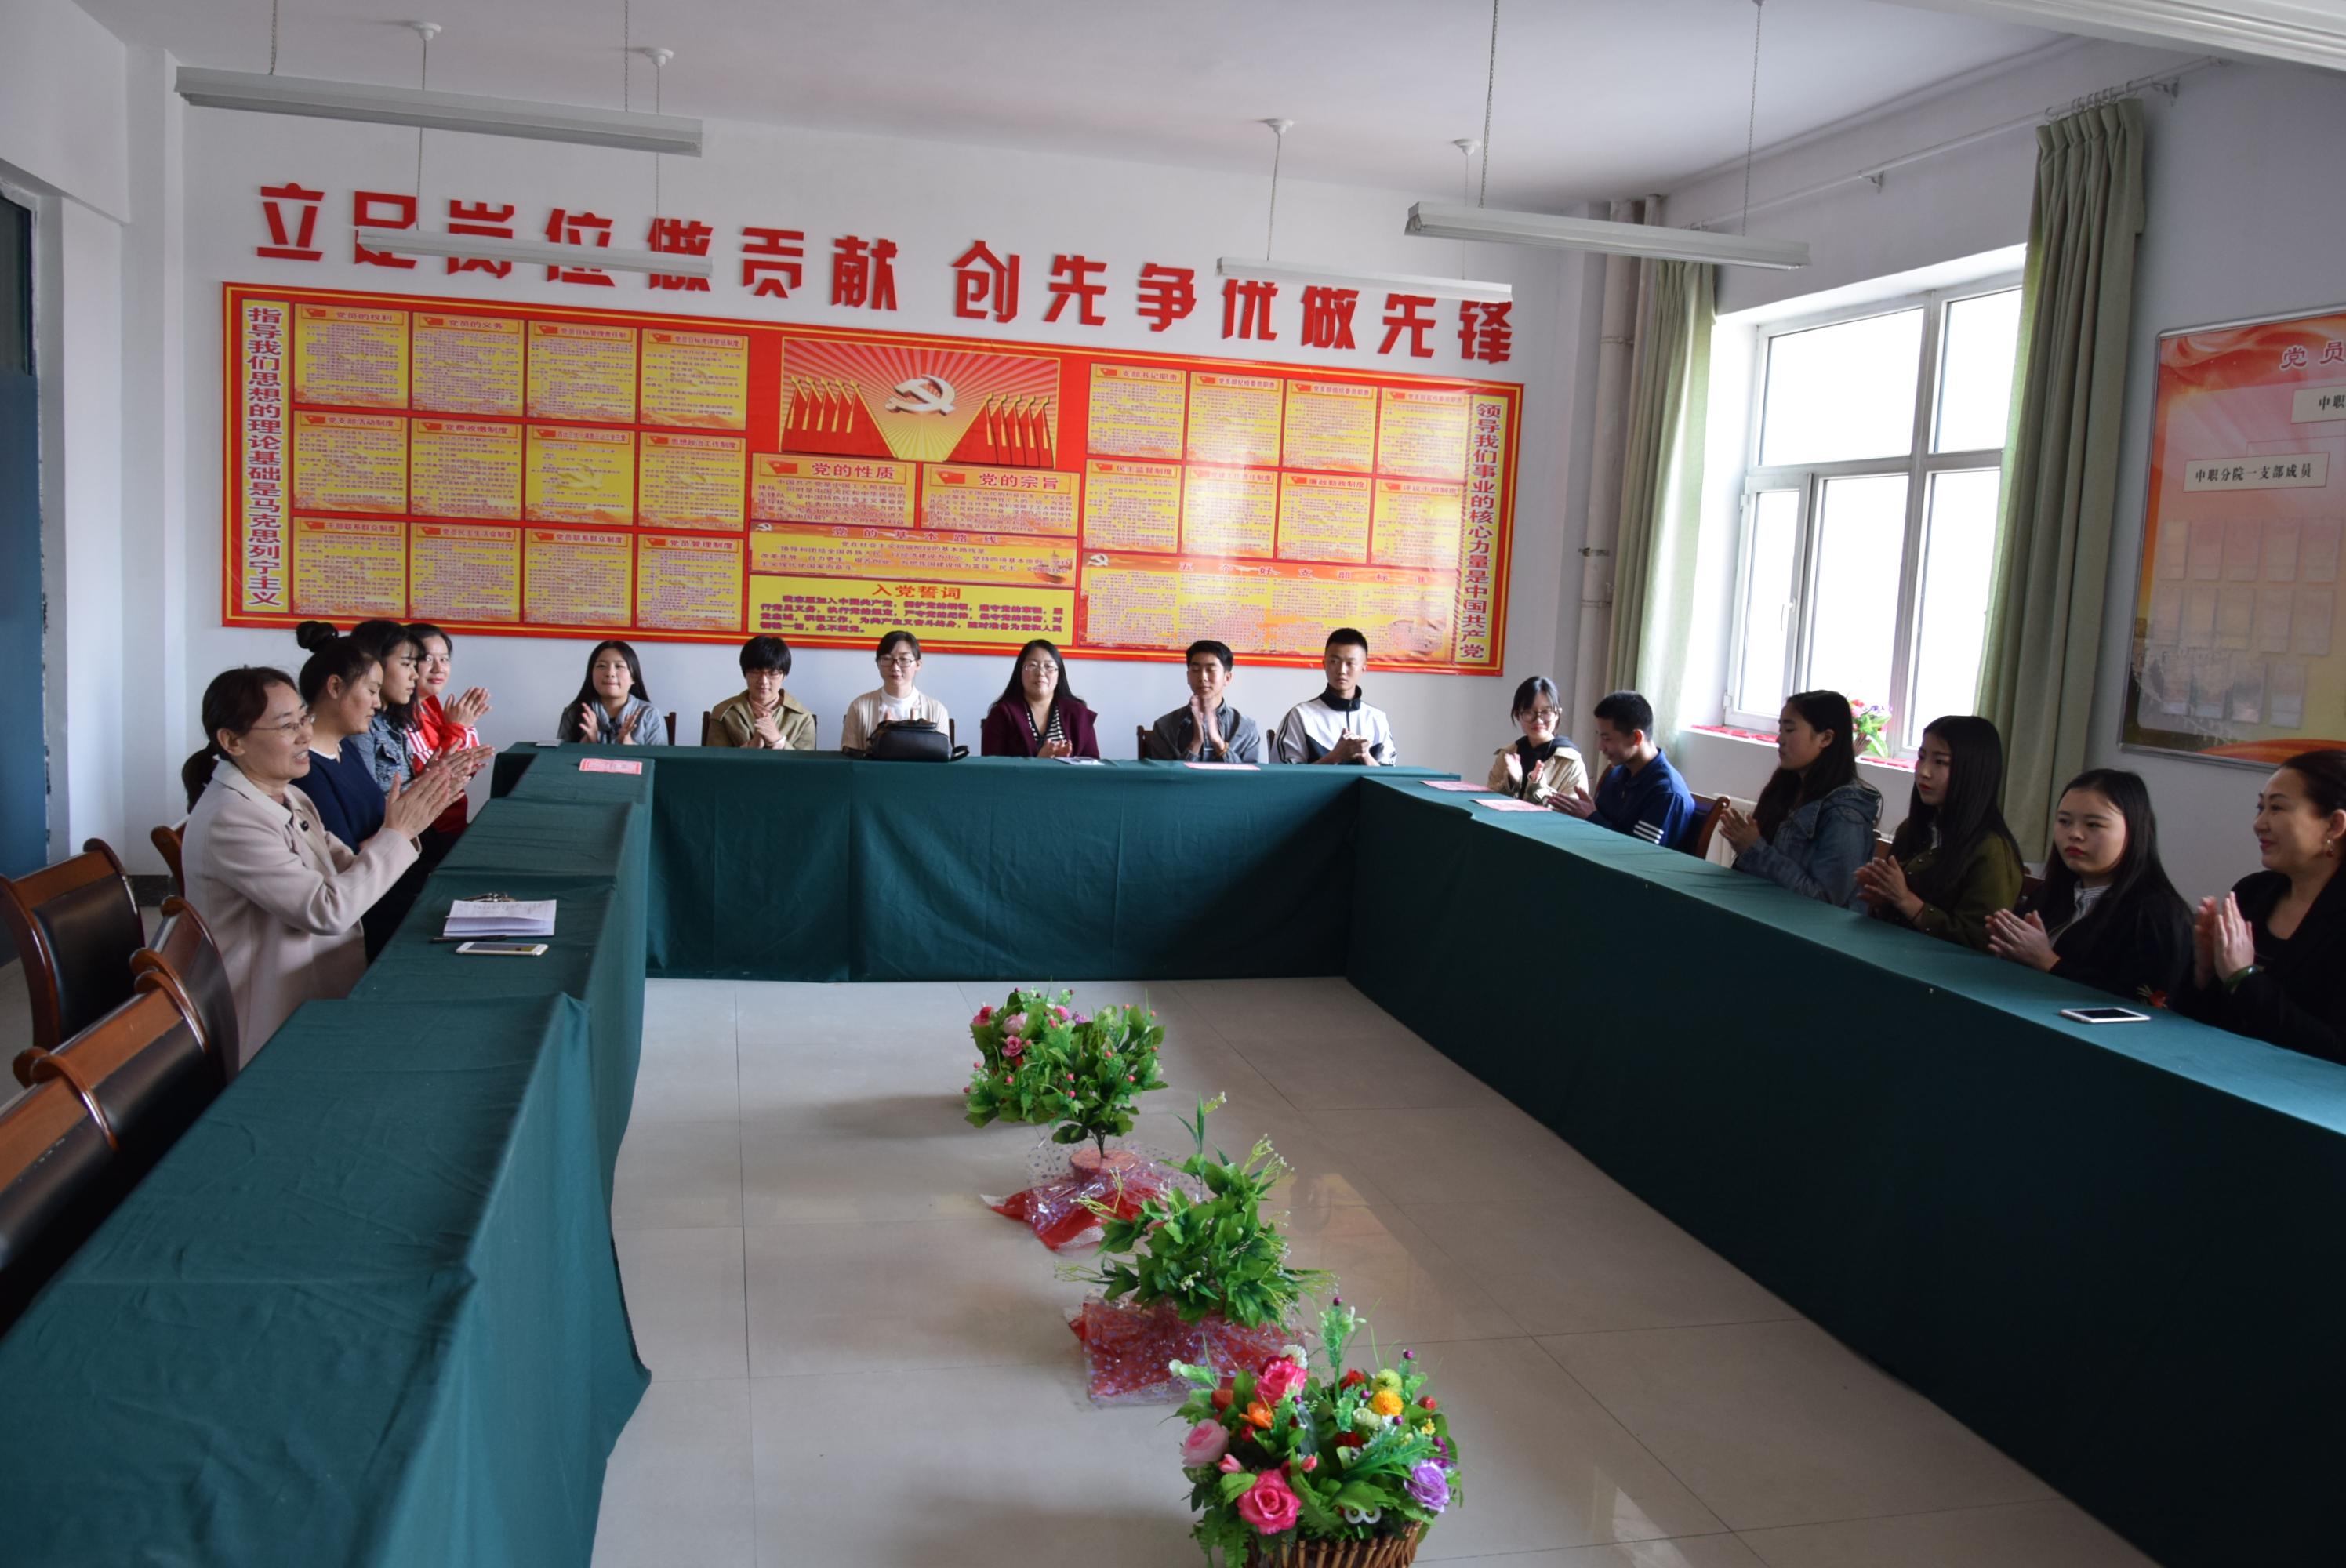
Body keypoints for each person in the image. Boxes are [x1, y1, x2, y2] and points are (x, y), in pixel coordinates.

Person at [179, 666, 463, 1060]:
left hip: (317, 982)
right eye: (287, 726)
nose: (305, 735)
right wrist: (397, 833)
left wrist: (408, 824)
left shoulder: (290, 796)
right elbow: (327, 910)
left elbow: (348, 867)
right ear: (232, 741)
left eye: (304, 719)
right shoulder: (230, 819)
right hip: (267, 1018)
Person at [2174, 750, 2346, 1061]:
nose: (2259, 824)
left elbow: (2336, 1051)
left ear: (2334, 825)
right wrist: (2205, 972)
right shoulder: (2252, 893)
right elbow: (2199, 1022)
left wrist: (2244, 977)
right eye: (2260, 807)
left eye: (2277, 808)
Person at [1985, 768, 2192, 1004]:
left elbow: (2146, 1005)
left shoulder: (2157, 913)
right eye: (2064, 821)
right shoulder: (2051, 894)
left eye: (2093, 825)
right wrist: (2009, 948)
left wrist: (2048, 961)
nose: (2074, 834)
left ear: (2135, 831)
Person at [1854, 714, 2024, 951]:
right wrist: (1882, 897)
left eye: (1941, 762)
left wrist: (1906, 900)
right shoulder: (1914, 828)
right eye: (1921, 757)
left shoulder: (1992, 849)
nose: (1924, 772)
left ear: (1973, 771)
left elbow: (1981, 942)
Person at [1718, 690, 1881, 907]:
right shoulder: (1789, 788)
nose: (1780, 739)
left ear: (1826, 738)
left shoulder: (1845, 815)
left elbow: (1825, 902)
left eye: (1790, 730)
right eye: (1780, 729)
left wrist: (1755, 850)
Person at [1553, 690, 1697, 849]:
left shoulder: (1666, 793)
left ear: (1636, 738)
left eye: (1607, 738)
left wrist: (1591, 817)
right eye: (1599, 736)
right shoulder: (1616, 774)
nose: (1600, 747)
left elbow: (1639, 853)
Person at [292, 622, 389, 852]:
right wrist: (402, 828)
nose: (377, 703)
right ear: (335, 687)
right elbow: (343, 856)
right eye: (372, 691)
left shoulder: (345, 747)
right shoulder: (304, 768)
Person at [406, 622, 492, 859]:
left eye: (444, 659)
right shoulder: (402, 713)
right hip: (428, 831)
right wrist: (457, 728)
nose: (438, 668)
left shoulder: (431, 705)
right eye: (427, 659)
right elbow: (434, 776)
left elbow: (467, 770)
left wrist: (460, 727)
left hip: (451, 822)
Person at [1276, 627, 1395, 765]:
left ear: (1364, 668)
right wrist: (1335, 756)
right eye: (1334, 662)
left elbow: (1388, 774)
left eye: (1350, 663)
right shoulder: (1300, 715)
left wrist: (1365, 756)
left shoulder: (1377, 718)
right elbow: (1285, 774)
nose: (1342, 670)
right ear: (1324, 665)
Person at [1145, 641, 1265, 763]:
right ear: (1188, 677)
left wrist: (1218, 742)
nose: (1203, 677)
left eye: (1211, 669)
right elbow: (1165, 774)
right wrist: (1196, 742)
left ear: (1227, 678)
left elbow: (1250, 774)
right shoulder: (1165, 726)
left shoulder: (1246, 728)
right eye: (1195, 670)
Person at [982, 639, 1102, 758]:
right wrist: (1039, 762)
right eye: (1032, 665)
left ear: (1059, 674)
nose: (1040, 673)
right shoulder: (1002, 714)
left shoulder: (1079, 714)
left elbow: (1093, 765)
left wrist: (1065, 764)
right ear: (1020, 672)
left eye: (1048, 666)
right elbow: (990, 767)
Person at [841, 630, 951, 754]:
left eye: (904, 659)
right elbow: (848, 759)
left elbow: (943, 760)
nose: (895, 667)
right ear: (878, 664)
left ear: (918, 664)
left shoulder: (937, 710)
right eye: (887, 659)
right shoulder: (859, 707)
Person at [347, 619, 423, 795]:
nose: (415, 675)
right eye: (406, 664)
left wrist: (430, 777)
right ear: (376, 664)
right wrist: (426, 782)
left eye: (414, 666)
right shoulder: (361, 728)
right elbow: (370, 801)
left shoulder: (392, 723)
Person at [1486, 676, 1587, 804]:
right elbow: (1487, 801)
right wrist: (1511, 783)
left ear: (1557, 714)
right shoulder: (1507, 754)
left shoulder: (1571, 762)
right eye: (1529, 712)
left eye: (1546, 712)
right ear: (1517, 715)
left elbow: (1571, 812)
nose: (1538, 720)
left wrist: (1537, 788)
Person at [706, 634, 816, 750]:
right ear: (745, 674)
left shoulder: (803, 718)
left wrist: (779, 742)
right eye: (755, 672)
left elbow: (806, 762)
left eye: (772, 673)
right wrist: (752, 747)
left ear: (784, 676)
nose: (763, 681)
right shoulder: (724, 713)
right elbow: (714, 760)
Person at [557, 640, 663, 744]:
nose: (610, 673)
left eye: (619, 666)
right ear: (591, 675)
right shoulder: (574, 713)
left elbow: (660, 755)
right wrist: (588, 744)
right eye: (601, 666)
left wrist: (628, 746)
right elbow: (560, 755)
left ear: (633, 677)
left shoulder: (650, 714)